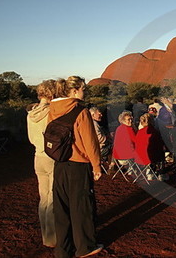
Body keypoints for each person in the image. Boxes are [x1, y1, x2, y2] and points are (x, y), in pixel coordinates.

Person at [49, 76, 103, 258]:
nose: (84, 92)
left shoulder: (53, 109)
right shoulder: (81, 111)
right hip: (79, 165)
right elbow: (90, 142)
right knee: (81, 207)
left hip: (60, 163)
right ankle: (85, 247)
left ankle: (63, 249)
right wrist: (96, 165)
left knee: (61, 207)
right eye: (83, 89)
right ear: (74, 91)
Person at [26, 79, 57, 248]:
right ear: (53, 93)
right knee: (53, 198)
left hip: (37, 157)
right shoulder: (51, 112)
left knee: (44, 198)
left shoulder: (31, 113)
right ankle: (53, 239)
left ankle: (46, 235)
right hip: (52, 157)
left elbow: (31, 139)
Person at [134, 113, 166, 181]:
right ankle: (161, 173)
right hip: (152, 157)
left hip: (139, 157)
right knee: (161, 153)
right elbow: (159, 145)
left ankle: (149, 171)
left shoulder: (139, 132)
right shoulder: (154, 132)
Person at [89, 106, 113, 173]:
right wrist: (107, 138)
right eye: (99, 114)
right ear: (93, 114)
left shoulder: (90, 122)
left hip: (94, 148)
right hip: (98, 149)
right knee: (113, 147)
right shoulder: (94, 124)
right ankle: (111, 167)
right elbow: (99, 138)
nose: (101, 115)